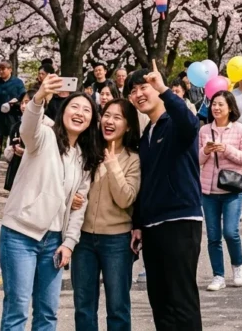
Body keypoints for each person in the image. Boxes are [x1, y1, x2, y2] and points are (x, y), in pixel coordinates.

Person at [0, 77, 103, 330]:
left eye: (86, 110)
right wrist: (39, 98)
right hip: (20, 235)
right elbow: (27, 127)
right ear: (63, 111)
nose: (80, 113)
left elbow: (80, 205)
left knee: (48, 314)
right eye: (74, 107)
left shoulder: (85, 157)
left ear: (91, 120)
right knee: (17, 310)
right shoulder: (43, 137)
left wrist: (69, 243)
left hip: (54, 242)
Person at [126, 62, 203, 330]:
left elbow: (191, 124)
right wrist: (138, 223)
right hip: (152, 225)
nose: (138, 94)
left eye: (143, 87)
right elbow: (144, 182)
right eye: (133, 91)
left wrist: (165, 90)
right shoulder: (147, 133)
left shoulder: (174, 122)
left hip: (180, 220)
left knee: (181, 301)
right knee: (160, 301)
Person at [71, 98, 141, 331]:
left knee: (118, 307)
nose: (109, 121)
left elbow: (126, 199)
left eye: (117, 117)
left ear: (128, 126)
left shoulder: (133, 159)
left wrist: (113, 166)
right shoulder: (87, 150)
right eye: (107, 115)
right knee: (83, 307)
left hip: (117, 241)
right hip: (83, 240)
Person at [199, 91, 242, 291]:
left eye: (221, 104)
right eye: (214, 104)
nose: (216, 108)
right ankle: (218, 275)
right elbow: (196, 160)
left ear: (230, 107)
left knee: (230, 232)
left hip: (232, 189)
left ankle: (237, 266)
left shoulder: (240, 130)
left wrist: (226, 149)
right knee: (213, 236)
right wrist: (205, 151)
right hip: (209, 191)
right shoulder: (204, 131)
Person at [0, 60, 26, 179]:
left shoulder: (18, 83)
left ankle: (13, 170)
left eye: (4, 69)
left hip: (12, 117)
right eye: (0, 69)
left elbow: (23, 98)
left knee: (13, 143)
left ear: (10, 69)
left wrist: (14, 102)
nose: (1, 71)